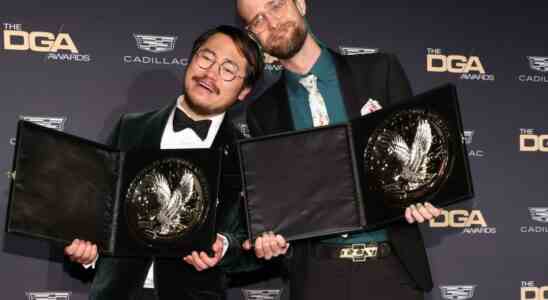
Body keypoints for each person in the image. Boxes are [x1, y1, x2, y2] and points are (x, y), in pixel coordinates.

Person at [236, 0, 442, 299]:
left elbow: (420, 157)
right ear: (253, 34)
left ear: (301, 5)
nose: (271, 22)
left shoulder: (379, 70)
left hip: (393, 271)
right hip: (317, 278)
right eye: (257, 20)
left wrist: (423, 194)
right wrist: (274, 238)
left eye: (276, 5)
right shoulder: (262, 112)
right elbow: (279, 200)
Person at [64, 25, 264, 300]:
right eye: (207, 58)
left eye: (228, 69)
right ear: (191, 59)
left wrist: (224, 247)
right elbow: (94, 207)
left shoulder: (247, 153)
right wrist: (87, 252)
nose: (210, 73)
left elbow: (257, 243)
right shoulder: (130, 128)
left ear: (244, 90)